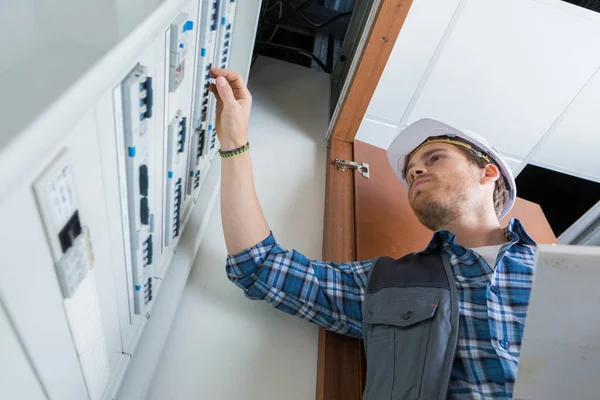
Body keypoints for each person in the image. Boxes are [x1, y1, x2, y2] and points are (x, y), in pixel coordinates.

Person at [208, 68, 537, 400]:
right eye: (410, 174)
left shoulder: (567, 273)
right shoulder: (389, 283)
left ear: (488, 171)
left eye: (434, 158)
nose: (416, 170)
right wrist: (234, 142)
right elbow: (259, 265)